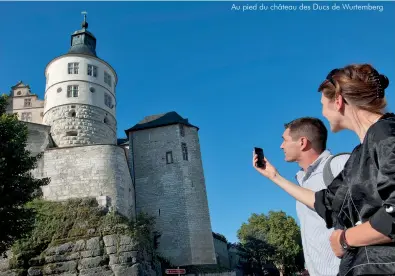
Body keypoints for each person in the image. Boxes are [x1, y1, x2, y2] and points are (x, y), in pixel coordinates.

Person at [253, 64, 395, 275]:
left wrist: (345, 239)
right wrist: (274, 176)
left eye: (322, 104)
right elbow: (326, 202)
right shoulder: (359, 154)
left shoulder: (386, 134)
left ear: (338, 101)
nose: (322, 113)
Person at [279, 117, 349, 276]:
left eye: (284, 140)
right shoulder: (303, 181)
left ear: (302, 142)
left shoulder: (340, 165)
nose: (281, 145)